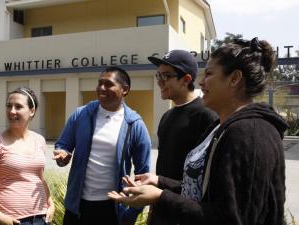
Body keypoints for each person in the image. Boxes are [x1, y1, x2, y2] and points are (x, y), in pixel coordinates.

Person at [108, 37, 287, 225]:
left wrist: (161, 197)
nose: (201, 82)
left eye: (209, 74)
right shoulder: (221, 127)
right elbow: (202, 189)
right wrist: (160, 182)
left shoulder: (250, 133)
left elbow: (232, 218)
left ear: (234, 78)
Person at [53, 66, 151, 225]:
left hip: (112, 208)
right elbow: (63, 145)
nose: (101, 88)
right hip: (77, 206)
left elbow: (143, 176)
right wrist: (61, 156)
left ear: (124, 89)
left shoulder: (135, 125)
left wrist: (131, 213)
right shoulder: (81, 114)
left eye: (108, 84)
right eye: (99, 83)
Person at [146, 50, 217, 224]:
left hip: (186, 211)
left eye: (166, 76)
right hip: (162, 206)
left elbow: (206, 178)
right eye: (158, 76)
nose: (160, 82)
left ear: (186, 79)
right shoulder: (167, 116)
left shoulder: (207, 116)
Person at [0, 87, 55, 225]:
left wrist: (51, 204)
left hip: (42, 218)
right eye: (9, 106)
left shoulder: (40, 141)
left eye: (18, 107)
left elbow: (39, 178)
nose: (12, 111)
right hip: (12, 220)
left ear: (32, 111)